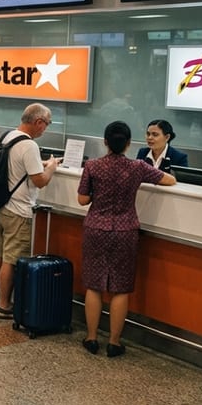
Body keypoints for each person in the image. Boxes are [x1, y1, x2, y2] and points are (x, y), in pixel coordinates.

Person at [77, 121, 175, 357]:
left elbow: (82, 200)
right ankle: (114, 342)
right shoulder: (138, 167)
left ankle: (91, 338)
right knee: (120, 288)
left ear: (105, 142)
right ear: (129, 144)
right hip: (125, 230)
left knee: (94, 285)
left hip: (96, 228)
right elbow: (169, 180)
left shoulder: (92, 166)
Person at [0, 104, 60, 319]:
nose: (45, 129)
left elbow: (15, 165)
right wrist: (52, 167)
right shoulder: (29, 146)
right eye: (46, 124)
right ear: (38, 122)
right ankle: (4, 305)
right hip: (18, 211)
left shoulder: (5, 137)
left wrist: (42, 164)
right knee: (11, 259)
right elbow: (40, 181)